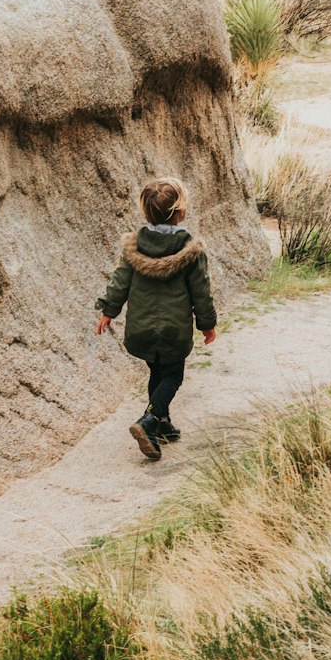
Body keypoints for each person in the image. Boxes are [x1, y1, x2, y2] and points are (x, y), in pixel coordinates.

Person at [95, 177, 217, 461]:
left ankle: (162, 423)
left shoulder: (135, 246)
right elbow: (202, 290)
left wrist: (108, 311)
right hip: (173, 330)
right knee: (172, 375)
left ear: (145, 211)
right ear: (181, 212)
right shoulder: (190, 250)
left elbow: (120, 282)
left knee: (157, 372)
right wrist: (207, 323)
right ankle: (148, 422)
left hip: (142, 328)